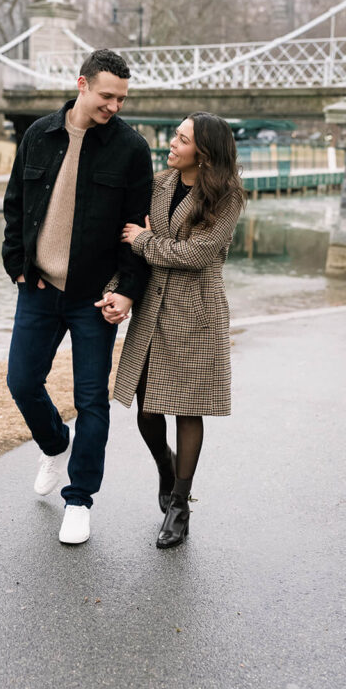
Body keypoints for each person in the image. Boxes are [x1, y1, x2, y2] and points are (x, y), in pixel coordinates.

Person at [1, 49, 153, 546]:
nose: (114, 105)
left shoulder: (131, 149)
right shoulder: (38, 134)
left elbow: (137, 231)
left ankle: (79, 499)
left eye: (122, 98)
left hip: (95, 297)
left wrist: (127, 291)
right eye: (107, 95)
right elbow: (15, 206)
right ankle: (53, 442)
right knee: (22, 381)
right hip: (39, 287)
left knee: (92, 402)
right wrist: (17, 267)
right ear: (82, 84)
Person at [108, 112, 246, 548]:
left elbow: (199, 254)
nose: (172, 143)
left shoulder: (227, 197)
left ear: (203, 154)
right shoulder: (161, 182)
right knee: (148, 409)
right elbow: (134, 243)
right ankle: (167, 471)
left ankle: (180, 505)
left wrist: (144, 241)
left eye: (182, 139)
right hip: (153, 307)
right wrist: (119, 287)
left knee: (187, 409)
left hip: (195, 313)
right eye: (176, 135)